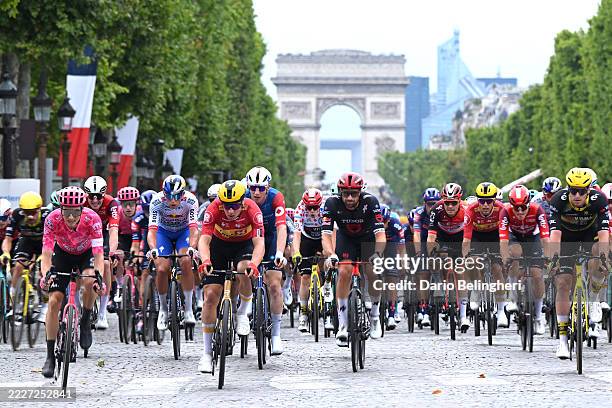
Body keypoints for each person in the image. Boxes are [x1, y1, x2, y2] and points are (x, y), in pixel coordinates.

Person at [197, 180, 264, 373]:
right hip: (219, 246)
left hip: (243, 246)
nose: (230, 211)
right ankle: (207, 353)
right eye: (227, 206)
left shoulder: (253, 209)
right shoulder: (213, 208)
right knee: (210, 296)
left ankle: (242, 312)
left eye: (234, 206)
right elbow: (204, 239)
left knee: (243, 268)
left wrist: (254, 264)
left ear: (243, 202)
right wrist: (206, 260)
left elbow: (259, 243)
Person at [39, 186, 105, 377]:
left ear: (82, 209)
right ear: (60, 208)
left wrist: (98, 275)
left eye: (75, 211)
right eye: (66, 211)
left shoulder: (92, 219)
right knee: (53, 301)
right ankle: (50, 356)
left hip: (86, 254)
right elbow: (46, 252)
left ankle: (85, 320)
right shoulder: (52, 219)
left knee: (89, 280)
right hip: (62, 255)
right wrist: (46, 274)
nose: (70, 217)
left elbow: (99, 253)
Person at [548, 168, 609, 358]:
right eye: (573, 190)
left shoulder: (599, 200)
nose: (576, 195)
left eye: (581, 191)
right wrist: (553, 258)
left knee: (601, 256)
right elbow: (555, 235)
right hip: (566, 240)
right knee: (563, 283)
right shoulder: (558, 200)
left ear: (589, 191)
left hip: (590, 237)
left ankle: (594, 299)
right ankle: (563, 341)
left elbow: (604, 233)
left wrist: (604, 257)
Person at [321, 172, 386, 345]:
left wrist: (378, 254)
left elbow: (380, 234)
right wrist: (331, 254)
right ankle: (342, 324)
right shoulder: (331, 203)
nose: (349, 198)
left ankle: (374, 316)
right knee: (344, 271)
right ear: (339, 192)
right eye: (346, 194)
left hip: (367, 240)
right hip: (346, 239)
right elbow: (326, 235)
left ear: (361, 192)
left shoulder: (371, 202)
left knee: (372, 271)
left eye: (354, 194)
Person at [244, 166, 288, 355]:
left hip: (270, 238)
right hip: (248, 237)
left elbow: (281, 227)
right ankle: (243, 306)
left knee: (274, 284)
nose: (256, 192)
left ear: (268, 187)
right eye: (253, 187)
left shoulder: (276, 198)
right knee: (243, 270)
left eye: (261, 188)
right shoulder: (242, 196)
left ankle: (276, 334)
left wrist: (279, 252)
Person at [147, 175, 199, 331]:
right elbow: (152, 231)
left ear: (183, 194)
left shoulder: (191, 201)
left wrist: (192, 247)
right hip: (163, 233)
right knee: (162, 269)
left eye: (177, 196)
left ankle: (189, 309)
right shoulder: (156, 201)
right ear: (164, 193)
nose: (173, 200)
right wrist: (153, 248)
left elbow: (194, 229)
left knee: (185, 262)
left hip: (183, 232)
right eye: (169, 196)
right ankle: (163, 309)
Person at [499, 185, 550, 332]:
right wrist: (504, 258)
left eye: (523, 207)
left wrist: (547, 257)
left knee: (537, 275)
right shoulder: (506, 211)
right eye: (516, 208)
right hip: (514, 237)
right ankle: (513, 297)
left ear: (528, 204)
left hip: (532, 238)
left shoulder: (537, 210)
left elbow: (545, 237)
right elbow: (503, 240)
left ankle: (539, 317)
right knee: (514, 253)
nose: (520, 211)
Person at [1, 192, 51, 322]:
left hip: (44, 244)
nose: (30, 216)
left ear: (39, 209)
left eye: (33, 212)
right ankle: (13, 300)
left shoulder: (47, 216)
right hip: (27, 241)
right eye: (26, 212)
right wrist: (6, 252)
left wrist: (44, 257)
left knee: (43, 273)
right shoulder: (17, 215)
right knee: (18, 266)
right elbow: (8, 239)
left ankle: (45, 306)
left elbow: (54, 240)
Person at [462, 182, 504, 332]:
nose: (485, 205)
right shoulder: (471, 210)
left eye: (489, 201)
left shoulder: (502, 209)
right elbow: (466, 238)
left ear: (494, 200)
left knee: (497, 269)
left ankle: (500, 311)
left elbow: (506, 235)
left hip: (495, 237)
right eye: (482, 201)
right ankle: (476, 290)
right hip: (476, 237)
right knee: (473, 262)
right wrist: (465, 257)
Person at [83, 175, 119, 329]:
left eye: (99, 197)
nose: (95, 200)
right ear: (86, 195)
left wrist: (112, 251)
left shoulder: (111, 204)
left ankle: (102, 313)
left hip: (102, 235)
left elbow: (113, 230)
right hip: (83, 235)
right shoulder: (81, 202)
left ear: (103, 195)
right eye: (92, 197)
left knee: (105, 263)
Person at [292, 188, 325, 332]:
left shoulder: (325, 208)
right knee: (305, 277)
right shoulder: (300, 209)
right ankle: (303, 313)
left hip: (323, 237)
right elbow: (297, 234)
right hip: (307, 239)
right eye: (309, 207)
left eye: (314, 207)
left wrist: (331, 253)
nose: (312, 211)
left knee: (327, 264)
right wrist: (296, 252)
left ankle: (328, 286)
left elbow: (331, 233)